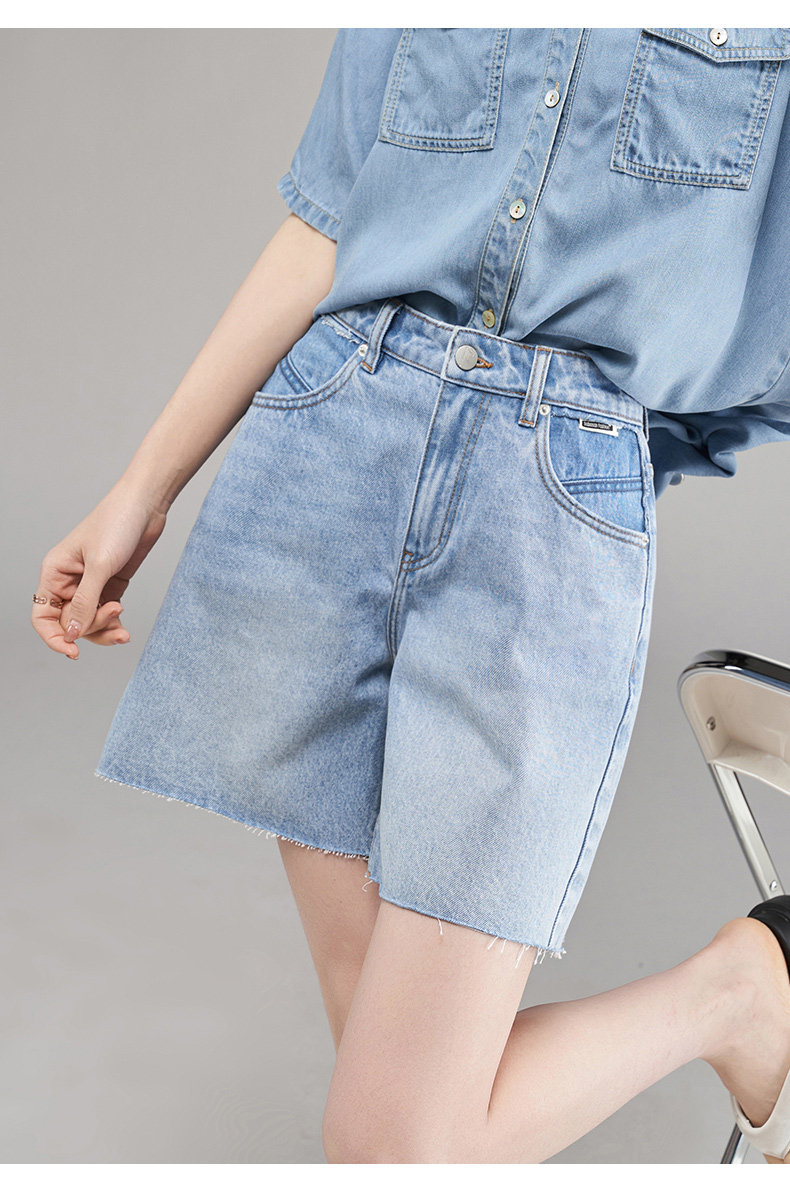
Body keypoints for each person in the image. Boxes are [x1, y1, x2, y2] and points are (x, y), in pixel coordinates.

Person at [32, 27, 790, 1164]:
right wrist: (143, 490)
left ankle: (738, 993)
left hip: (545, 515)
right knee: (391, 1098)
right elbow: (325, 220)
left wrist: (601, 457)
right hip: (324, 458)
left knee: (400, 1141)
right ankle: (743, 1002)